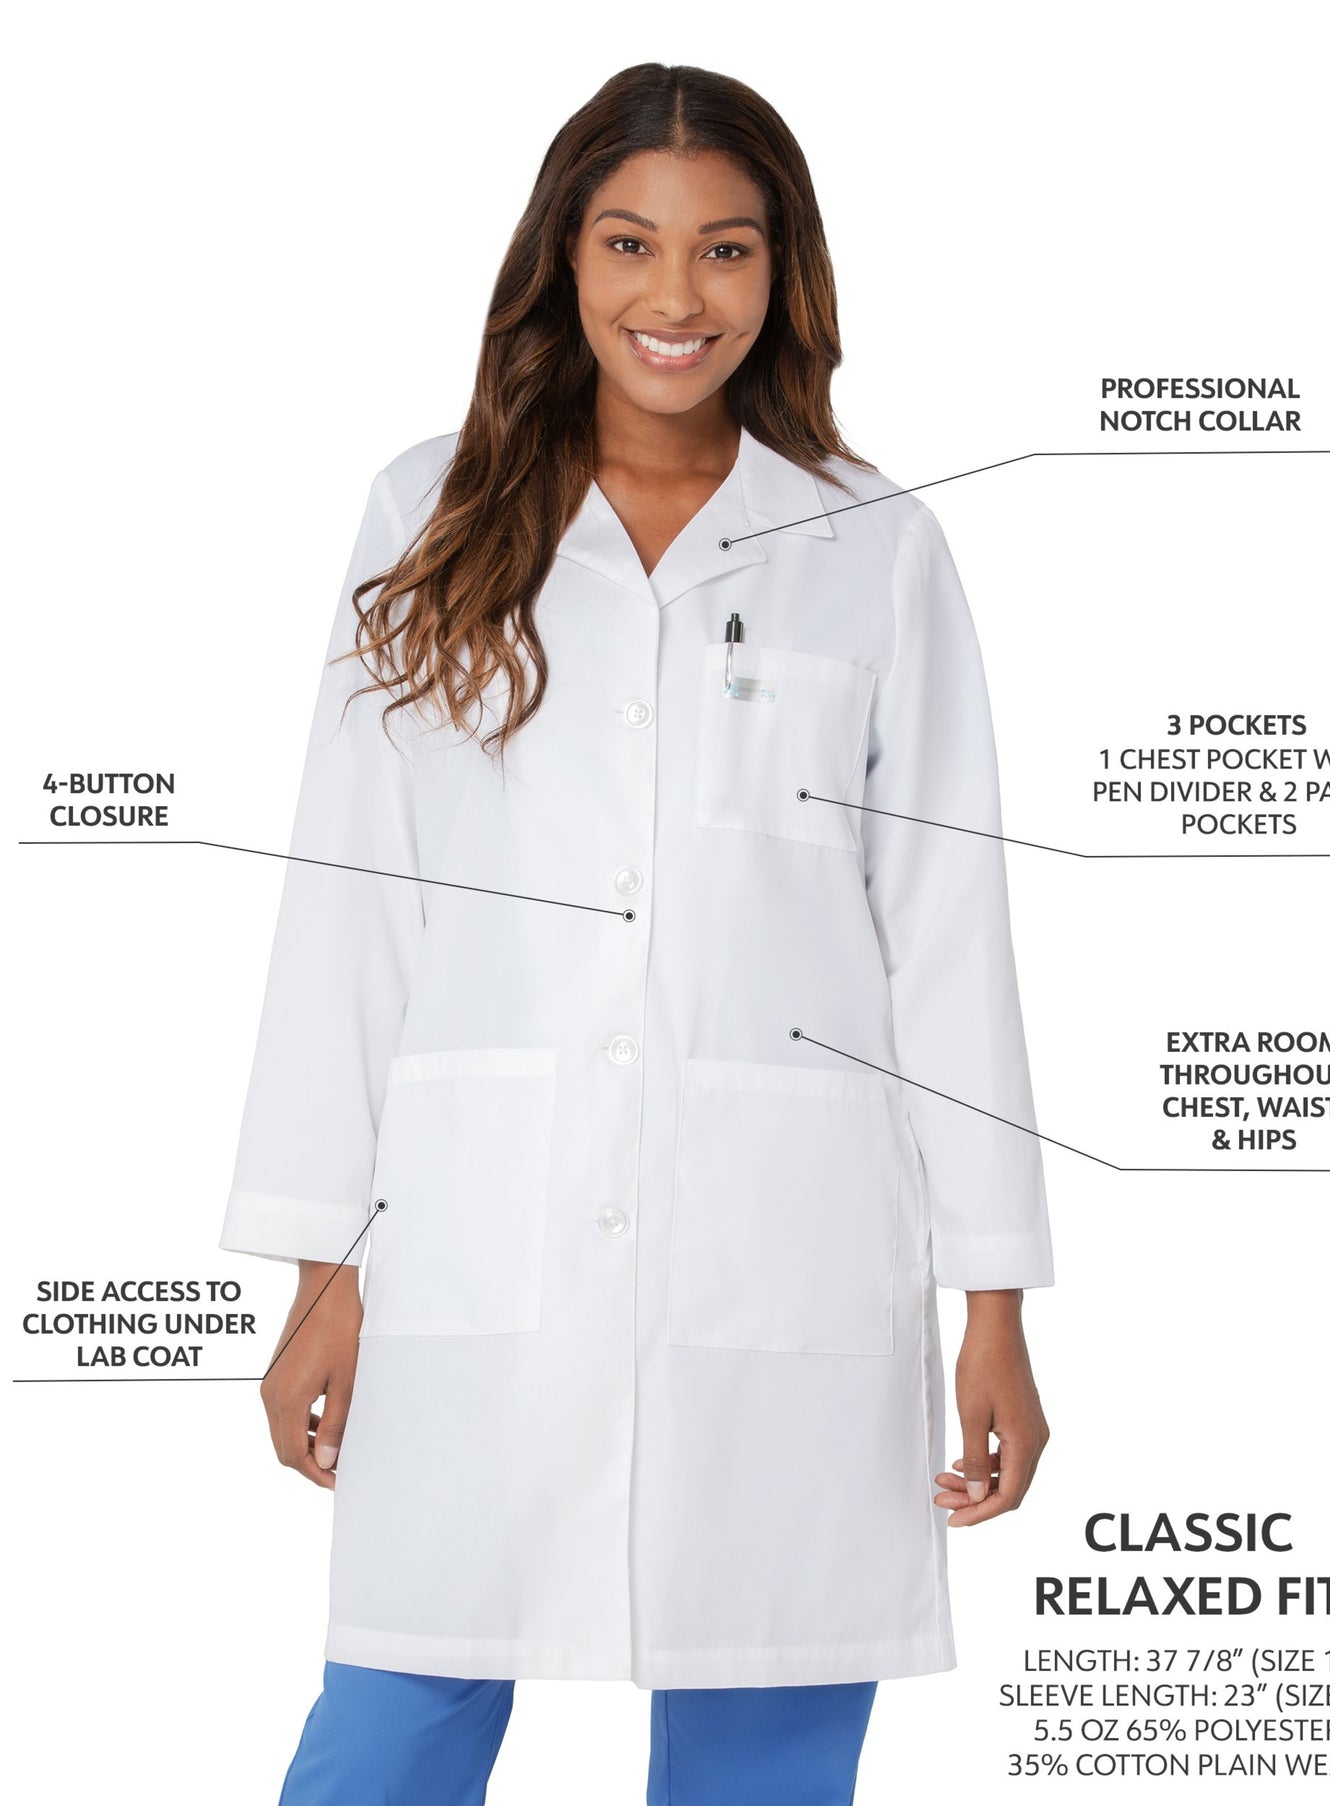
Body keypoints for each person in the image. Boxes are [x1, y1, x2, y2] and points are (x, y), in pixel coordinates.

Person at [221, 60, 1054, 1806]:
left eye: (724, 248)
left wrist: (993, 1301)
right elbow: (354, 903)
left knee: (765, 1743)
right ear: (563, 255)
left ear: (781, 270)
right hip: (475, 1236)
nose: (677, 294)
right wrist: (321, 1265)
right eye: (629, 242)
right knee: (389, 1732)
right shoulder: (431, 510)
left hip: (788, 1248)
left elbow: (948, 938)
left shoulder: (871, 544)